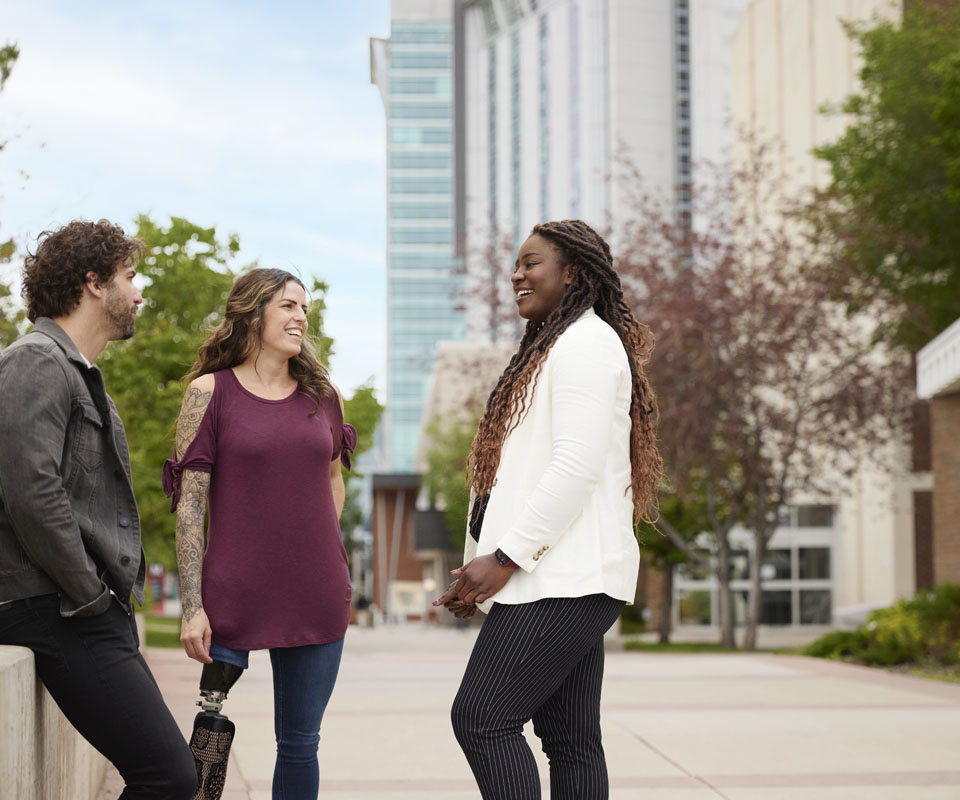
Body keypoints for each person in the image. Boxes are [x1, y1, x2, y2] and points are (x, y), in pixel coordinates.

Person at [434, 220, 662, 800]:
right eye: (516, 264)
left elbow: (575, 467)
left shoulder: (585, 343)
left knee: (481, 718)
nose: (517, 274)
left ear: (574, 273)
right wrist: (478, 569)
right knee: (571, 739)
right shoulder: (555, 347)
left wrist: (504, 559)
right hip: (563, 576)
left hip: (565, 578)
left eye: (531, 262)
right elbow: (514, 480)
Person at [0, 220, 197, 799]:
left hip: (81, 605)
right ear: (93, 283)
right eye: (130, 277)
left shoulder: (86, 380)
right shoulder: (34, 362)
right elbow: (31, 489)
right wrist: (87, 592)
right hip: (55, 605)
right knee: (169, 775)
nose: (140, 294)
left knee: (168, 773)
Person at [163, 267, 356, 799]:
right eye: (289, 306)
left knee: (299, 743)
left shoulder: (323, 395)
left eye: (305, 309)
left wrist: (316, 547)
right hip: (232, 591)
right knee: (207, 735)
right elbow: (190, 505)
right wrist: (192, 604)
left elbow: (333, 481)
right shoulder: (209, 393)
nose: (301, 318)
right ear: (253, 313)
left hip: (316, 591)